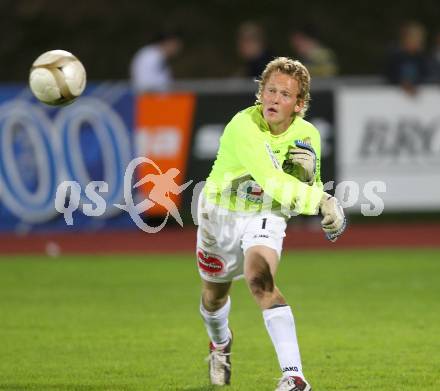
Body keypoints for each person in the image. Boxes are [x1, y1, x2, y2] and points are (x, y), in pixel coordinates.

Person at [196, 57, 346, 391]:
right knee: (213, 297)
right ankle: (220, 344)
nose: (275, 99)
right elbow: (271, 178)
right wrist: (322, 201)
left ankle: (295, 377)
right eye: (270, 91)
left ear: (299, 104)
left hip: (266, 213)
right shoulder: (243, 126)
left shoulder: (307, 135)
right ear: (260, 93)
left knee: (259, 279)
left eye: (285, 94)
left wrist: (311, 183)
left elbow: (304, 188)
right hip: (219, 214)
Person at [384, 21, 429, 95]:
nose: (416, 42)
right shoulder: (395, 58)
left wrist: (415, 84)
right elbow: (388, 76)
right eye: (413, 38)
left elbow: (428, 75)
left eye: (418, 39)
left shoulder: (422, 58)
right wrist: (402, 83)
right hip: (396, 96)